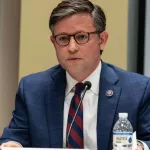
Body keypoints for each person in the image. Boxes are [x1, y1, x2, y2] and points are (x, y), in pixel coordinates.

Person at [0, 0, 150, 150]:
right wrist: (12, 145)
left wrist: (141, 147)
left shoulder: (138, 90)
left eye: (81, 37)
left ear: (102, 40)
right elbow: (14, 137)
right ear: (54, 42)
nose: (72, 48)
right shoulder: (32, 89)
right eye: (63, 39)